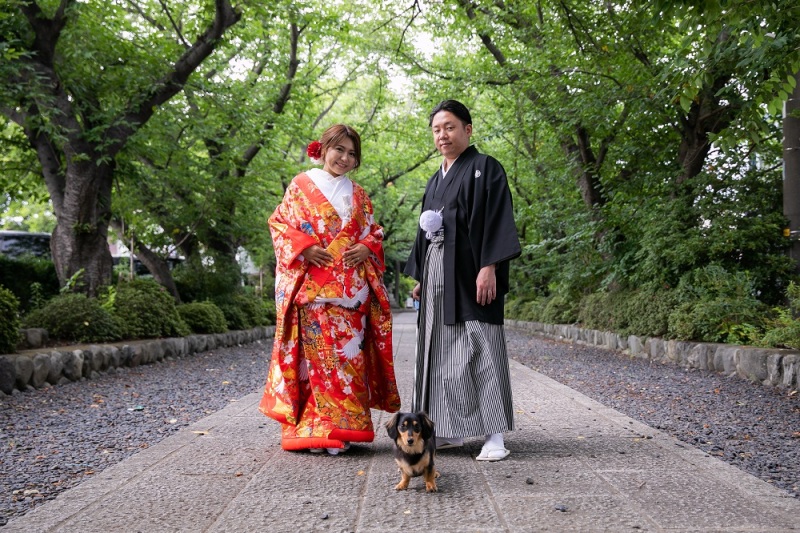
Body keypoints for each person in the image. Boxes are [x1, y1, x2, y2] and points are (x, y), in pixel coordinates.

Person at [259, 124, 400, 455]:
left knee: (348, 362)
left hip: (352, 296)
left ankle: (347, 429)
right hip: (314, 293)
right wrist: (305, 247)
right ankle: (315, 429)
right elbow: (279, 224)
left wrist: (367, 246)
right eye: (339, 150)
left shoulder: (359, 195)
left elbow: (374, 232)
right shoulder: (300, 187)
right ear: (323, 149)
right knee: (317, 364)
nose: (345, 158)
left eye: (352, 154)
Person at [404, 100, 521, 461]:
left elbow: (497, 219)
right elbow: (427, 232)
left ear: (468, 130)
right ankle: (448, 429)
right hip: (438, 274)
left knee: (481, 344)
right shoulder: (434, 179)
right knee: (437, 349)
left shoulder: (486, 168)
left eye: (450, 127)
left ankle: (494, 435)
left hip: (473, 271)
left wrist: (490, 266)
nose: (443, 135)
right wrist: (423, 275)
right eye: (437, 129)